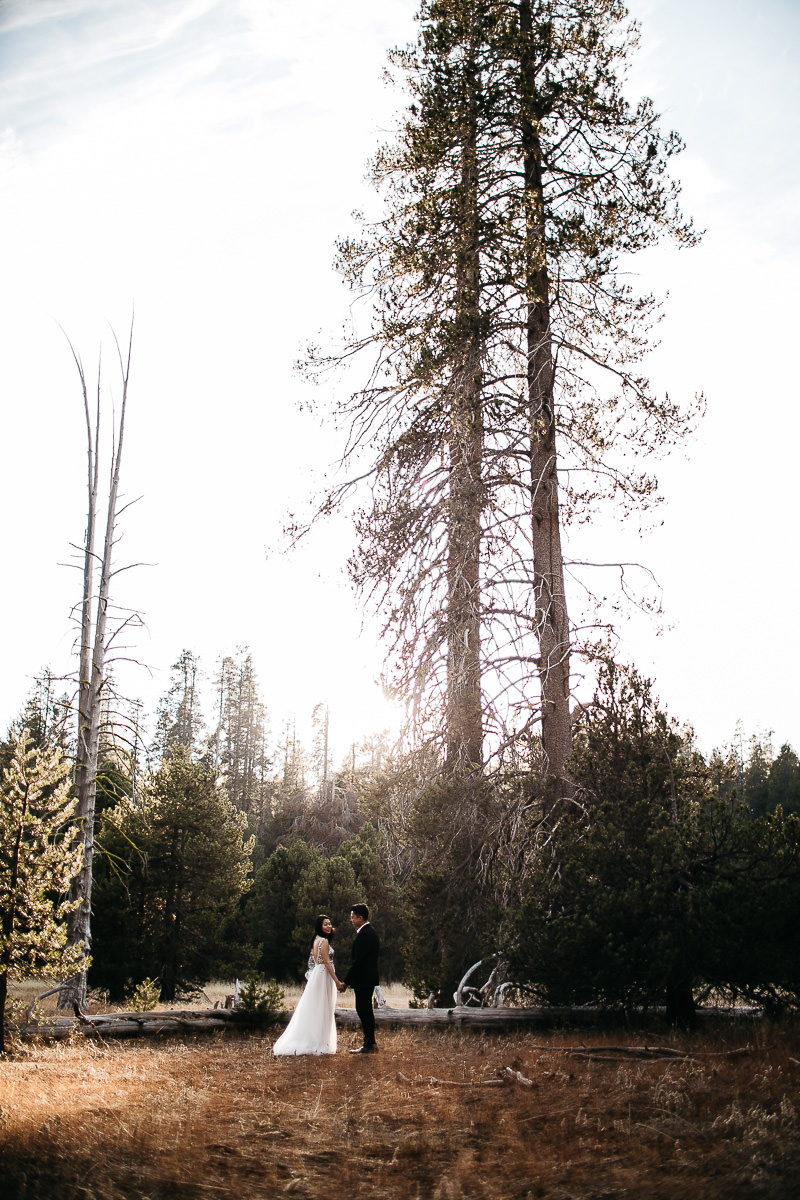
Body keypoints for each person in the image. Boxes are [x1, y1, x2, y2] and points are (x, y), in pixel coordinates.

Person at [273, 915, 343, 1056]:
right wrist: (337, 981)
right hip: (323, 976)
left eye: (329, 924)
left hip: (318, 975)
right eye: (325, 924)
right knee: (322, 1008)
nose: (329, 926)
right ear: (319, 926)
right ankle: (318, 1041)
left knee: (316, 1007)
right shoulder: (323, 941)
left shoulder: (316, 940)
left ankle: (317, 1038)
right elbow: (327, 963)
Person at [337, 903, 380, 1053]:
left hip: (364, 979)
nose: (351, 920)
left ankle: (369, 1043)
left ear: (360, 918)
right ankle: (370, 1042)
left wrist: (346, 982)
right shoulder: (369, 932)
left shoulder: (365, 935)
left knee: (364, 1010)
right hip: (367, 978)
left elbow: (358, 962)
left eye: (353, 917)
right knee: (365, 1009)